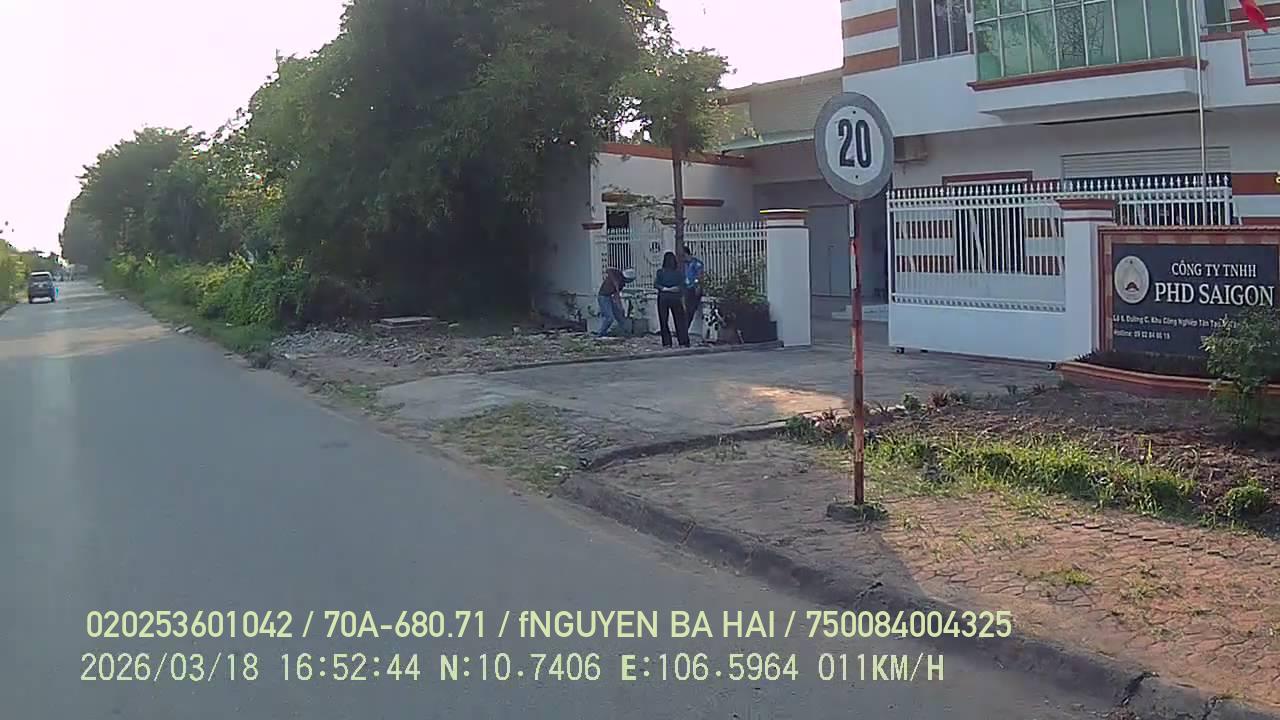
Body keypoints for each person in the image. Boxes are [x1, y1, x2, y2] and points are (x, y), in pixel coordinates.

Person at [654, 252, 690, 348]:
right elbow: (683, 285)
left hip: (663, 297)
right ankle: (683, 341)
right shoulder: (678, 273)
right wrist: (675, 289)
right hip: (675, 297)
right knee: (679, 320)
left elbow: (656, 284)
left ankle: (667, 343)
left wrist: (664, 288)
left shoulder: (660, 272)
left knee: (663, 320)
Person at [596, 266, 636, 337]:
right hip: (603, 297)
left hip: (610, 297)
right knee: (609, 318)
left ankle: (626, 332)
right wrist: (615, 282)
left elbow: (616, 295)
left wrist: (620, 307)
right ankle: (600, 333)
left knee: (619, 316)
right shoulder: (617, 273)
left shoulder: (621, 284)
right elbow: (608, 270)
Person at [681, 244, 705, 334]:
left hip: (693, 289)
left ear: (686, 254)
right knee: (684, 310)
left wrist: (697, 285)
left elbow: (700, 276)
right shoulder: (683, 265)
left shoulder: (696, 263)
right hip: (685, 288)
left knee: (690, 310)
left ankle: (684, 329)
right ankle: (683, 329)